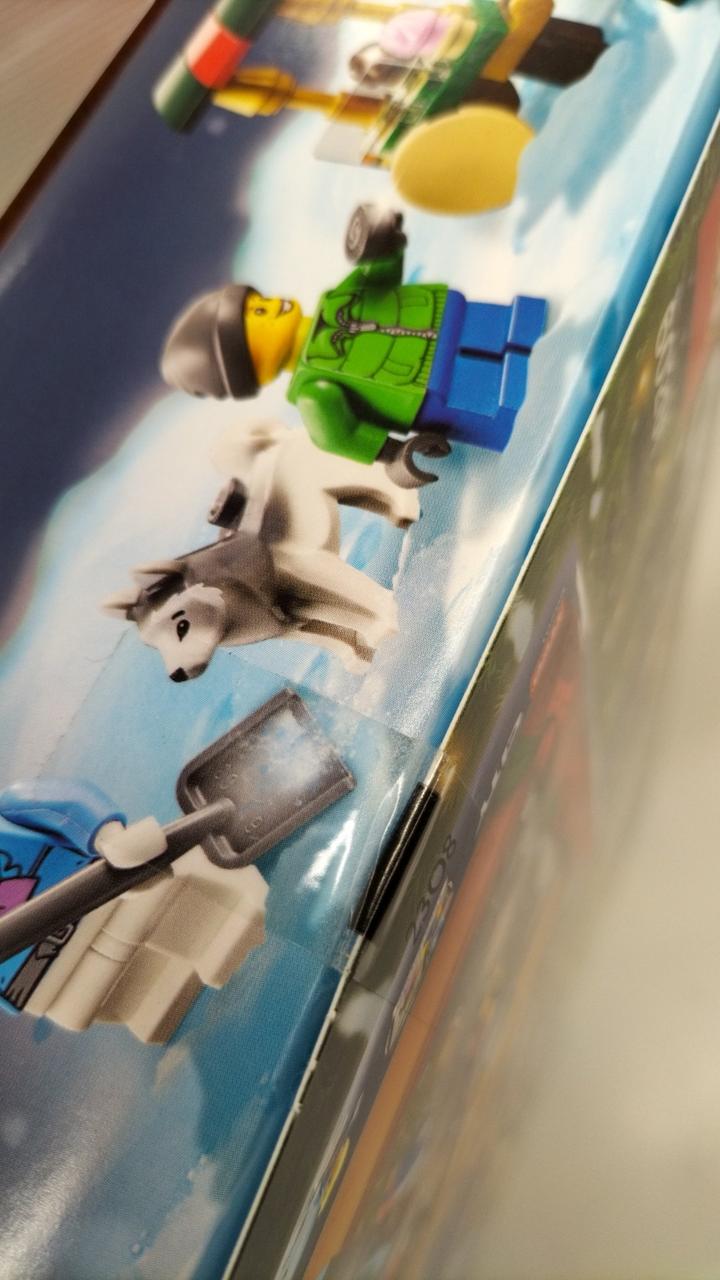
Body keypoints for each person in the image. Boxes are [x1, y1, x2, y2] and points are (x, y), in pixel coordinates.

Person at [162, 205, 547, 486]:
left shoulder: (338, 299)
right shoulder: (314, 392)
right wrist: (394, 454)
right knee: (520, 411)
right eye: (257, 315)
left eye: (259, 302)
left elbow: (377, 275)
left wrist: (382, 243)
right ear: (247, 364)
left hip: (458, 318)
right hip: (440, 391)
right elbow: (338, 434)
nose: (271, 305)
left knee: (530, 328)